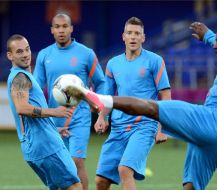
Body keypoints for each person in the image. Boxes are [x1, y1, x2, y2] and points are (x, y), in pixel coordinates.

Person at [66, 22, 217, 190]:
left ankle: (102, 99)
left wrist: (159, 128)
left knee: (152, 108)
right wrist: (208, 36)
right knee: (191, 186)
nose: (215, 45)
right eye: (216, 41)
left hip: (215, 121)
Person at [92, 17, 171, 190]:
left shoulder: (155, 61)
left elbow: (165, 94)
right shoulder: (113, 64)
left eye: (137, 33)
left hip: (144, 125)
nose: (133, 37)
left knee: (125, 169)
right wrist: (101, 117)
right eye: (129, 33)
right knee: (101, 181)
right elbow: (108, 97)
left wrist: (162, 128)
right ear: (123, 36)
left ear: (143, 38)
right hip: (119, 127)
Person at [33, 13, 105, 190]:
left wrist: (102, 112)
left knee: (76, 161)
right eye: (57, 27)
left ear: (71, 28)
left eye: (65, 26)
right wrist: (42, 115)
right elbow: (36, 89)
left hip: (79, 117)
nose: (61, 30)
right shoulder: (44, 55)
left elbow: (101, 82)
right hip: (54, 120)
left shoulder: (86, 54)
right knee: (58, 166)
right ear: (52, 30)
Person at [6, 34, 82, 190]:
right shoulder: (20, 77)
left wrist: (52, 129)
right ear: (10, 55)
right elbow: (22, 108)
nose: (26, 54)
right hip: (45, 146)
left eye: (27, 49)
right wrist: (55, 112)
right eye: (19, 51)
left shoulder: (23, 76)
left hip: (39, 144)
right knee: (74, 187)